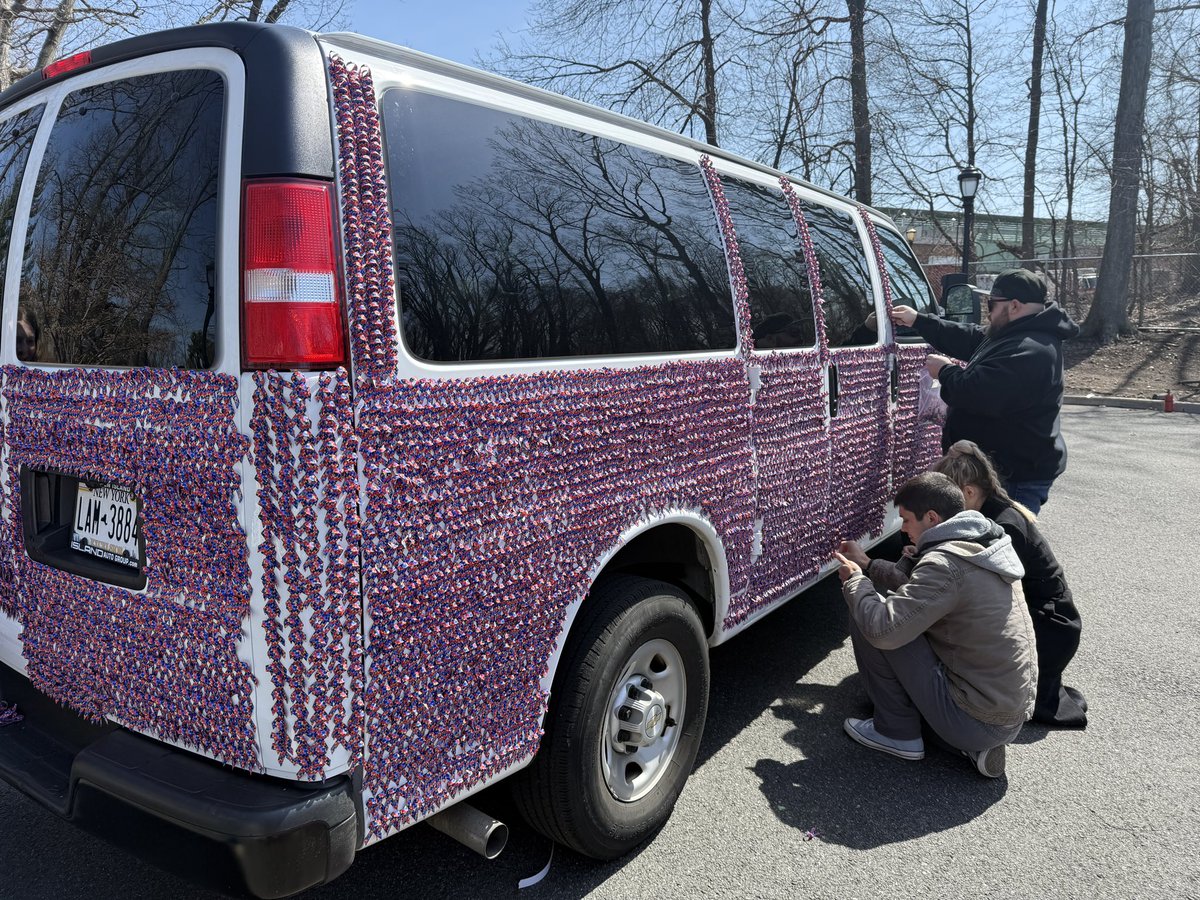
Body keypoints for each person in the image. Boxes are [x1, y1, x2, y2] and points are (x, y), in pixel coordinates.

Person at [834, 472, 1037, 778]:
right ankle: (969, 745)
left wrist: (856, 583)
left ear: (931, 517)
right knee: (897, 611)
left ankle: (897, 732)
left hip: (977, 716)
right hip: (1006, 715)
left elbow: (884, 628)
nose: (903, 530)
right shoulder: (981, 543)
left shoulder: (946, 565)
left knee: (870, 614)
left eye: (906, 520)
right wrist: (869, 565)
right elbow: (923, 591)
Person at [890, 268, 1080, 513]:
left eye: (991, 304)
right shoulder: (1013, 334)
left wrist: (946, 371)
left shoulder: (1032, 349)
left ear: (1013, 306)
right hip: (1000, 470)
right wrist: (918, 320)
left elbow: (978, 393)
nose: (988, 313)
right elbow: (970, 338)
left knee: (1005, 543)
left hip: (1014, 477)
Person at [933, 439, 1087, 727]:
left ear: (968, 491)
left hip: (1049, 630)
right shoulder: (993, 506)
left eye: (948, 500)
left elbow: (981, 591)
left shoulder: (1004, 526)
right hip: (1049, 619)